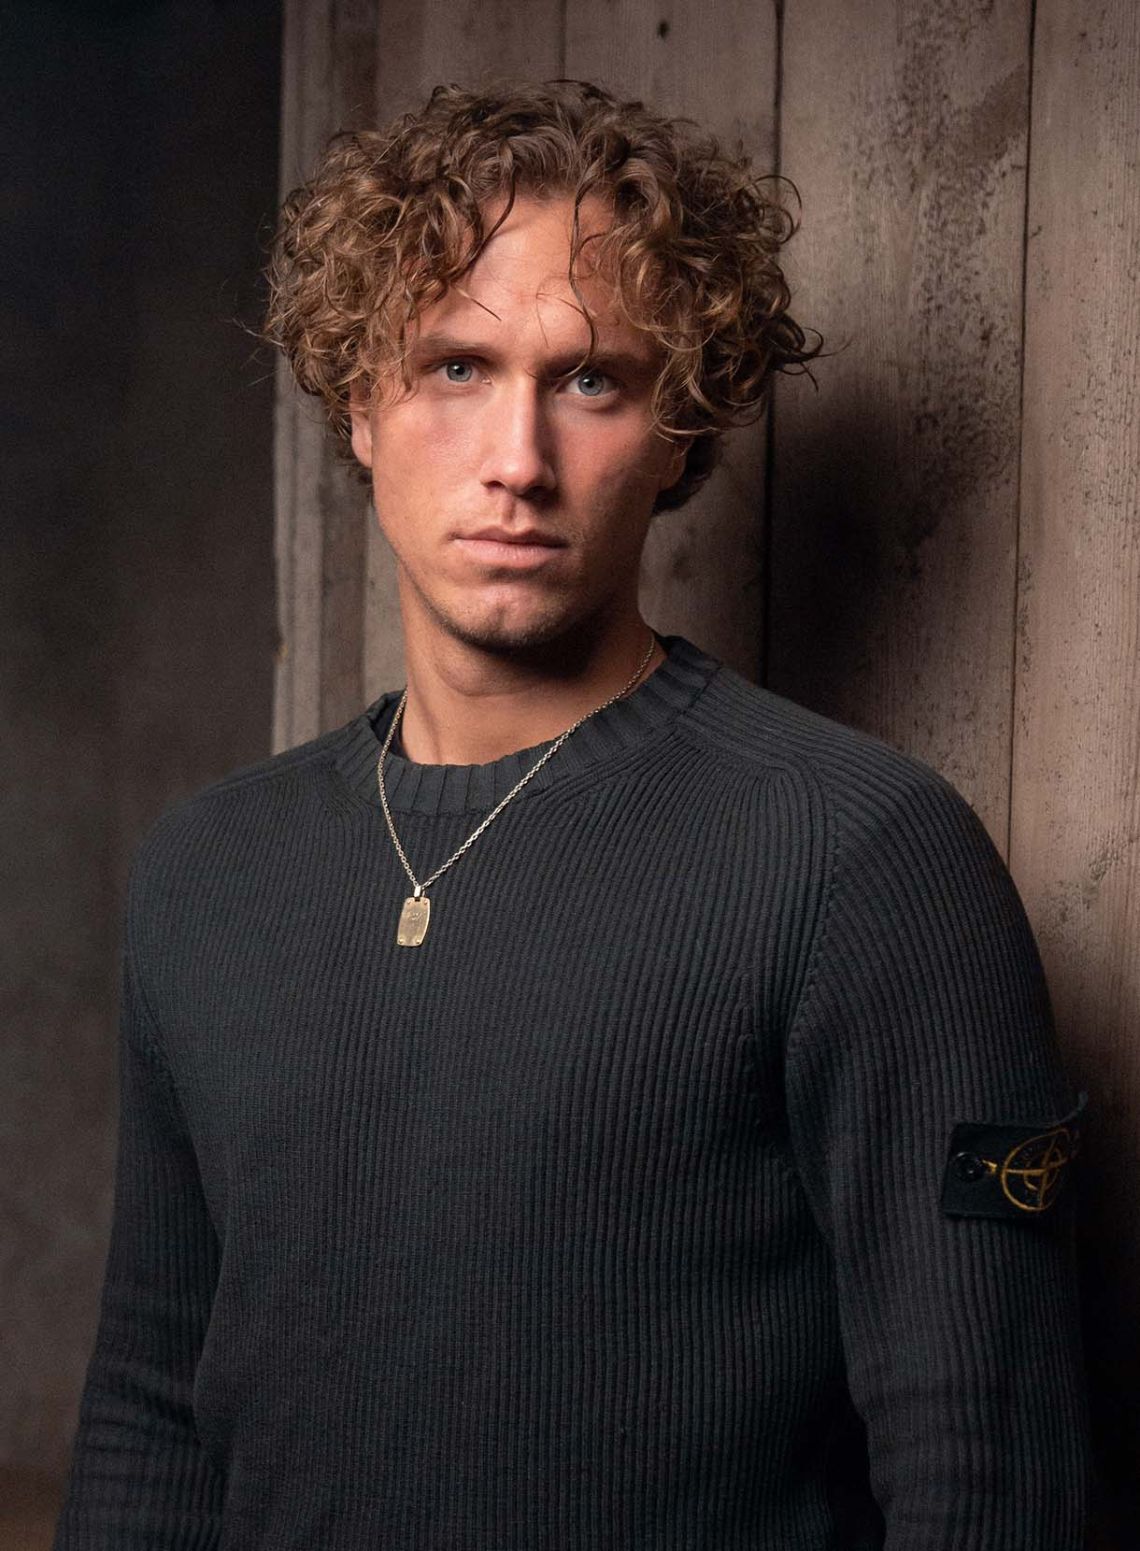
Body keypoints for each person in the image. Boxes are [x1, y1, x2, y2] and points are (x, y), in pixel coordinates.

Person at [54, 79, 1089, 1549]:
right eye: (454, 366)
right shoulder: (209, 871)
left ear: (679, 427)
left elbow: (983, 1469)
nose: (518, 462)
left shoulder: (858, 856)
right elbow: (152, 1413)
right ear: (358, 404)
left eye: (592, 379)